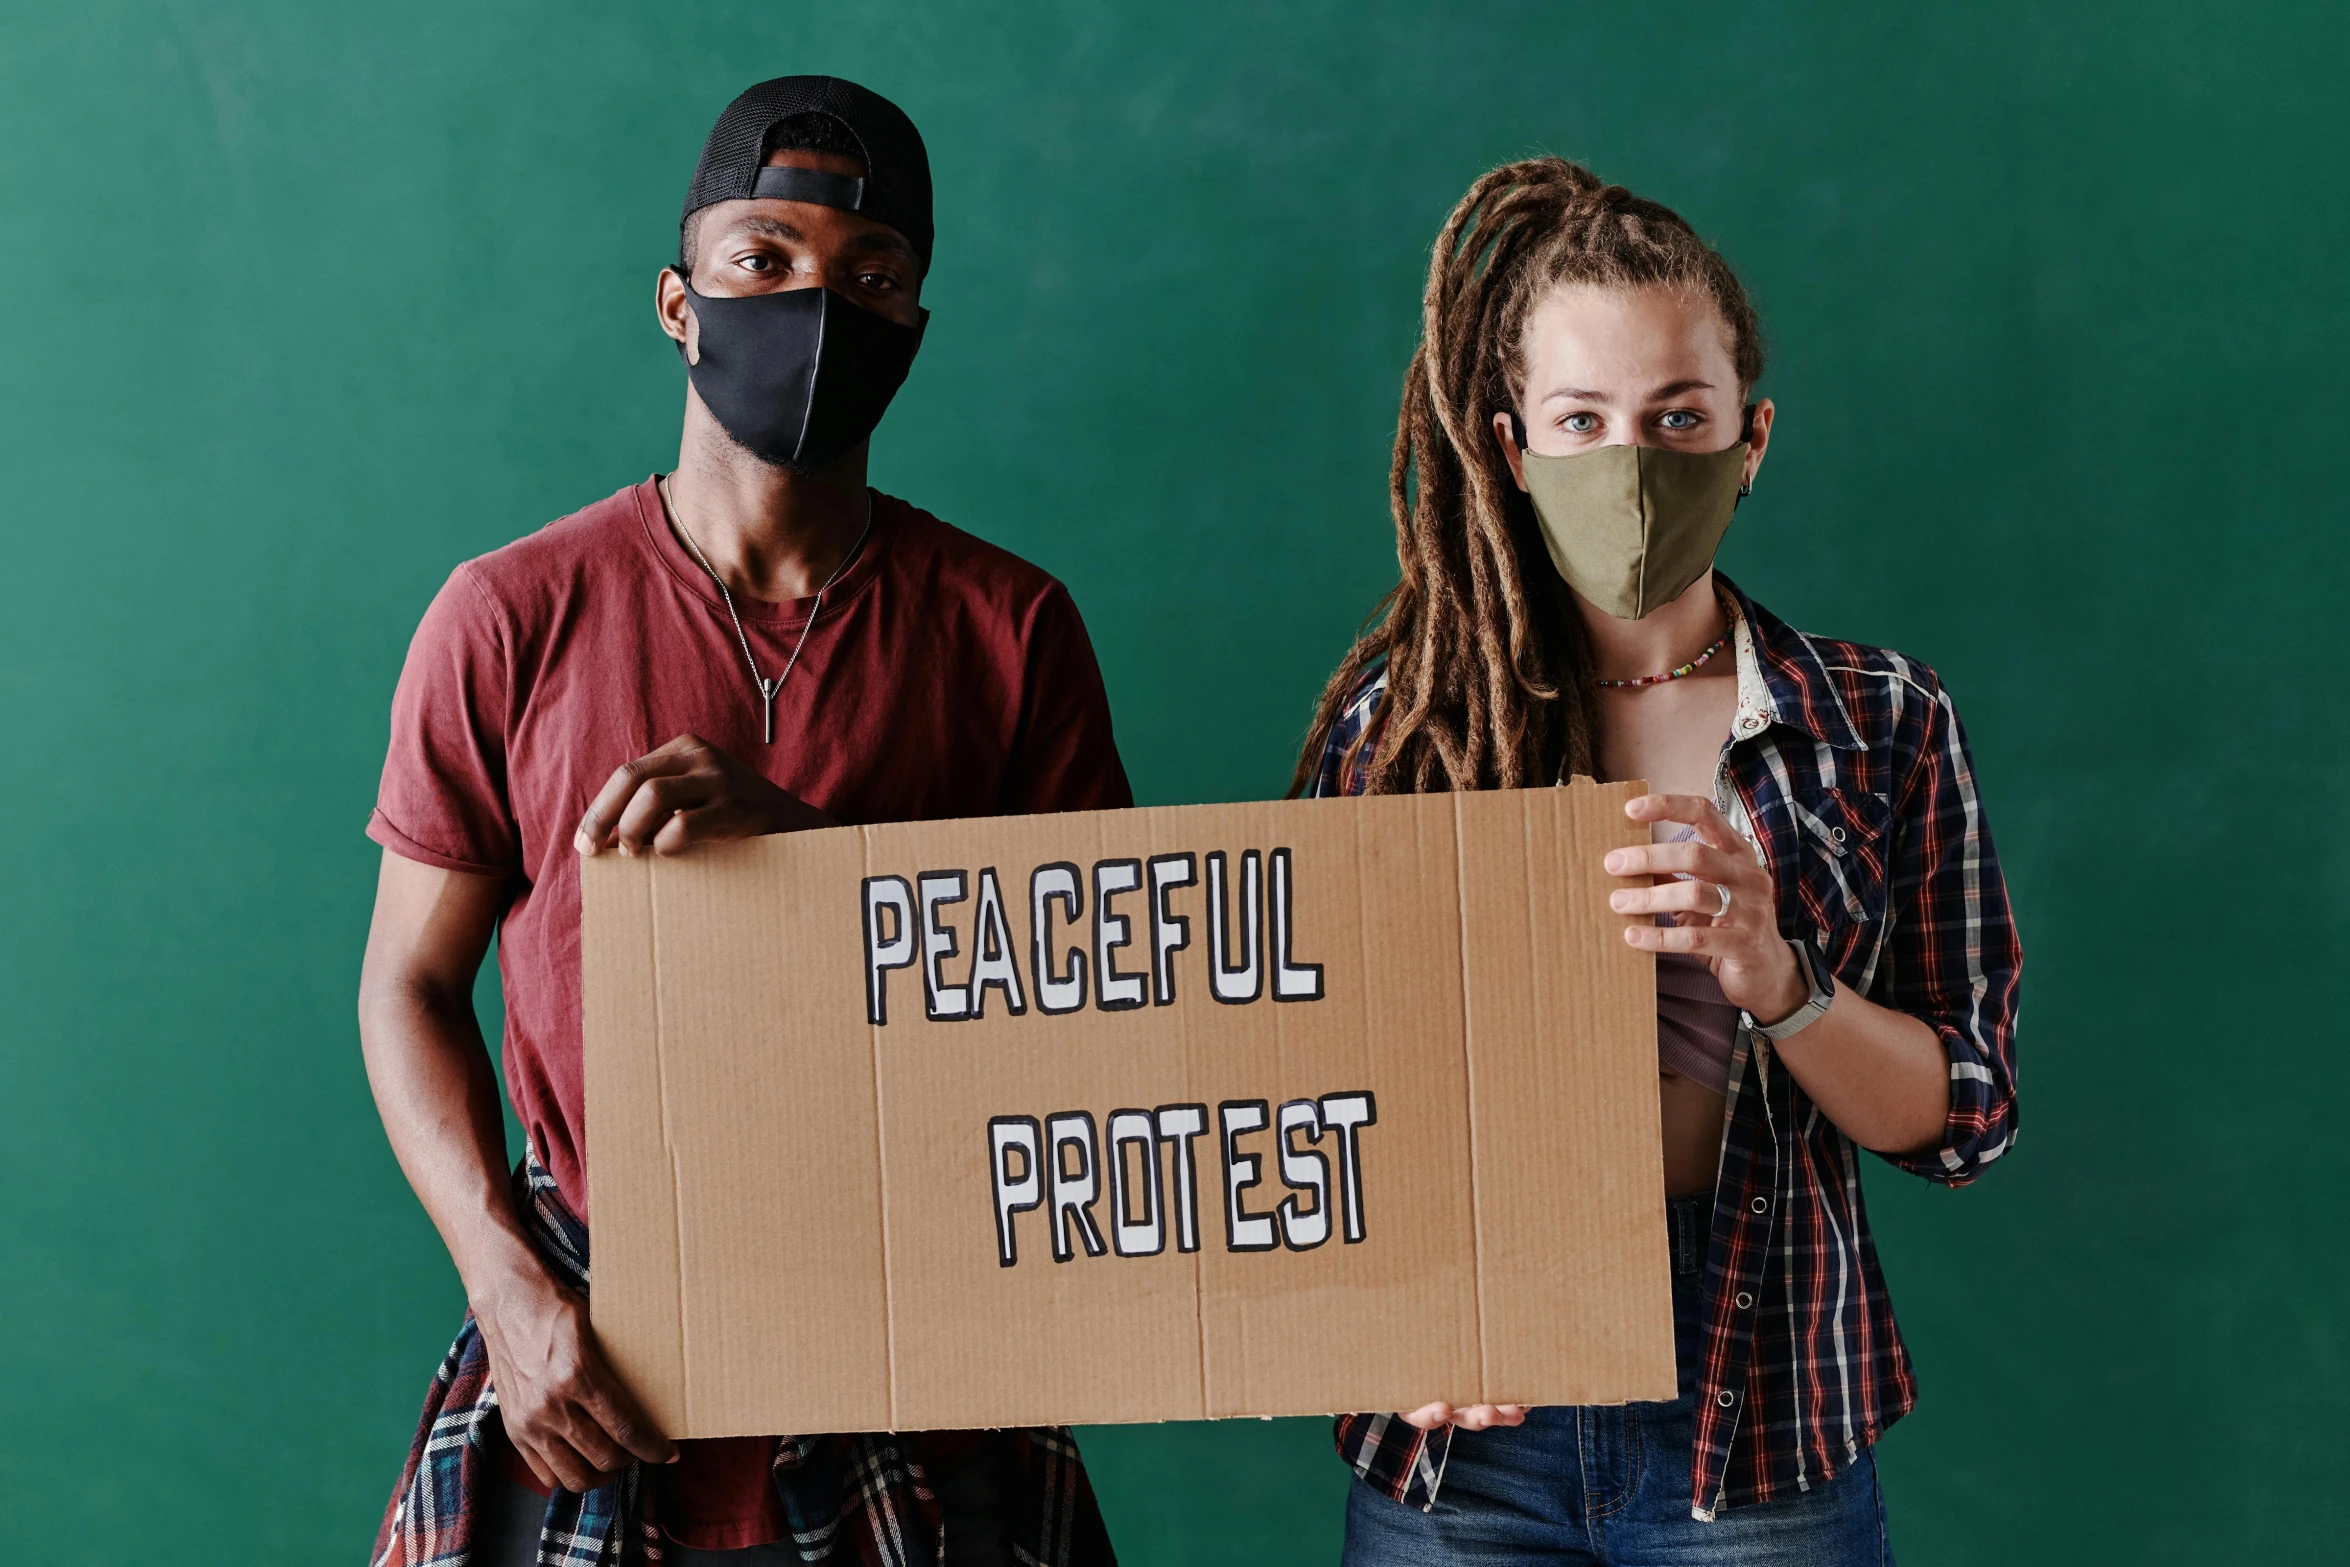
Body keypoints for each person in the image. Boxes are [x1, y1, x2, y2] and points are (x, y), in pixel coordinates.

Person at [359, 76, 1125, 1567]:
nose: (817, 306)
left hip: (916, 1331)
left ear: (910, 327)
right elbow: (405, 984)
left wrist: (817, 861)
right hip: (586, 1336)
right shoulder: (510, 611)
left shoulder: (1009, 626)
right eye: (763, 258)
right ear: (675, 299)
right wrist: (508, 1286)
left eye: (871, 277)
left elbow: (1095, 1006)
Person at [1294, 157, 2022, 1562]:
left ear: (1751, 440)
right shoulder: (1407, 724)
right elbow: (1299, 1079)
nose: (1629, 463)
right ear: (1510, 447)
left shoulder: (1878, 721)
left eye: (1676, 417)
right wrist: (1385, 1315)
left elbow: (1963, 1113)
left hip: (1758, 1416)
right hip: (1466, 1435)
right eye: (1582, 420)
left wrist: (1778, 975)